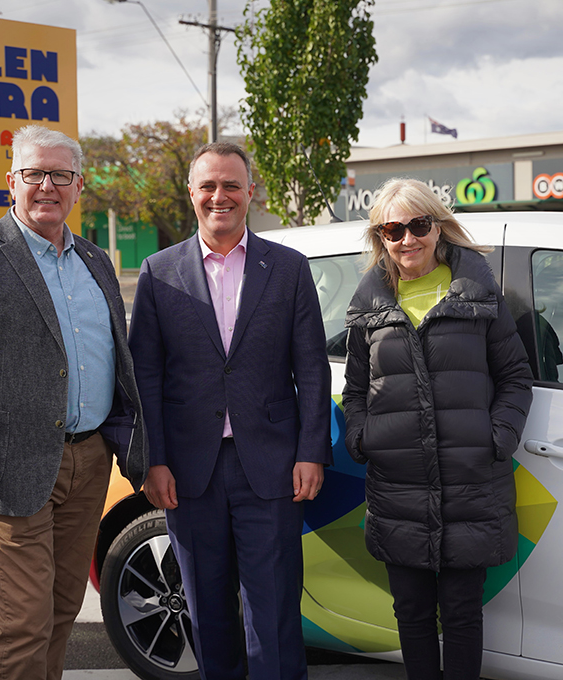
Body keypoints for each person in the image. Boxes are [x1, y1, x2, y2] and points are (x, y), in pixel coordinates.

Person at [0, 125, 147, 680]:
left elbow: (115, 363)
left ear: (79, 185)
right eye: (34, 173)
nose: (47, 185)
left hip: (89, 462)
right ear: (11, 182)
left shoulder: (96, 260)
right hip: (6, 469)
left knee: (62, 611)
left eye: (60, 175)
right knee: (24, 623)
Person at [128, 141, 332, 680]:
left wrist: (311, 451)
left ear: (250, 192)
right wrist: (152, 461)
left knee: (275, 613)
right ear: (192, 193)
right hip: (188, 473)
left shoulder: (288, 269)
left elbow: (312, 368)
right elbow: (145, 377)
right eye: (209, 186)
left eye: (231, 185)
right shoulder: (157, 272)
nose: (220, 196)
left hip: (271, 468)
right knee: (207, 613)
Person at [342, 178, 534, 680]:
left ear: (438, 227)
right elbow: (355, 391)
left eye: (418, 225)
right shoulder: (370, 308)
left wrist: (497, 438)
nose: (407, 239)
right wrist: (362, 438)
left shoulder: (478, 294)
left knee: (463, 614)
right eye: (393, 230)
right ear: (381, 238)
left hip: (469, 484)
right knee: (411, 613)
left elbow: (515, 378)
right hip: (398, 488)